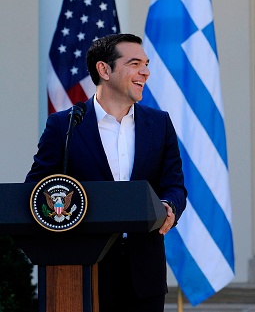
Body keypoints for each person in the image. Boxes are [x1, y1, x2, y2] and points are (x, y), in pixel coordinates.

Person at [25, 33, 187, 311]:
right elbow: (36, 189)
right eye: (135, 63)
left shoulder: (160, 124)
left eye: (146, 64)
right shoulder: (63, 126)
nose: (145, 72)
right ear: (104, 70)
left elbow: (174, 186)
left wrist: (168, 206)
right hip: (82, 270)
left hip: (144, 273)